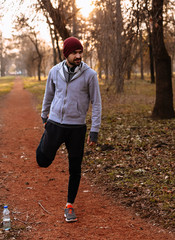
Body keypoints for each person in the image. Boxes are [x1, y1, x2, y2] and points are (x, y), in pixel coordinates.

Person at [36, 36, 102, 222]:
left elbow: (96, 104)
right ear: (66, 54)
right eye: (74, 52)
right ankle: (45, 139)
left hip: (76, 128)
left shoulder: (90, 75)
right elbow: (48, 95)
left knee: (75, 168)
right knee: (42, 161)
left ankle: (69, 205)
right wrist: (44, 116)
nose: (78, 55)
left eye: (80, 52)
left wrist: (94, 131)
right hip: (55, 124)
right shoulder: (55, 72)